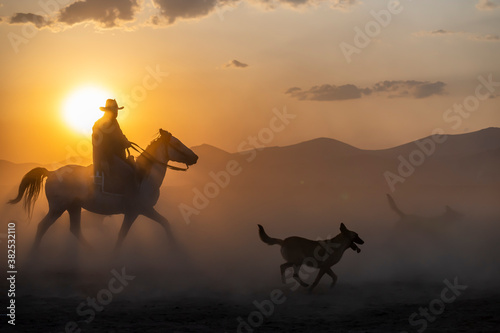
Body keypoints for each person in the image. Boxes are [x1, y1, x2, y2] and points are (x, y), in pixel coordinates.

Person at [92, 99, 134, 194]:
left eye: (117, 110)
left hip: (115, 155)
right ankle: (124, 196)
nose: (116, 112)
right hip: (108, 157)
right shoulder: (101, 124)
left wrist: (126, 142)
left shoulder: (114, 122)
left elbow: (120, 135)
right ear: (109, 111)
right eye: (115, 110)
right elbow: (104, 144)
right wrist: (103, 160)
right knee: (128, 171)